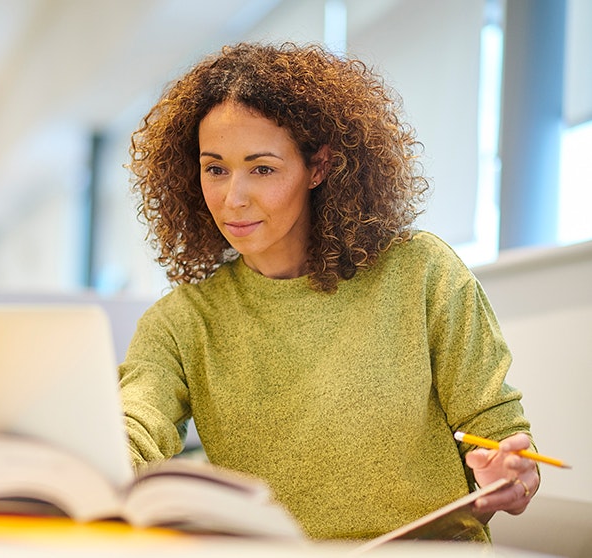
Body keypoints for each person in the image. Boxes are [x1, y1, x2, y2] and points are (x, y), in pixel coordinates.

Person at [119, 42, 537, 542]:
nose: (233, 198)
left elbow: (499, 431)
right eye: (216, 169)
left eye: (263, 168)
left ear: (318, 167)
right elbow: (135, 426)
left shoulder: (422, 273)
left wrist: (511, 470)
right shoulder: (181, 322)